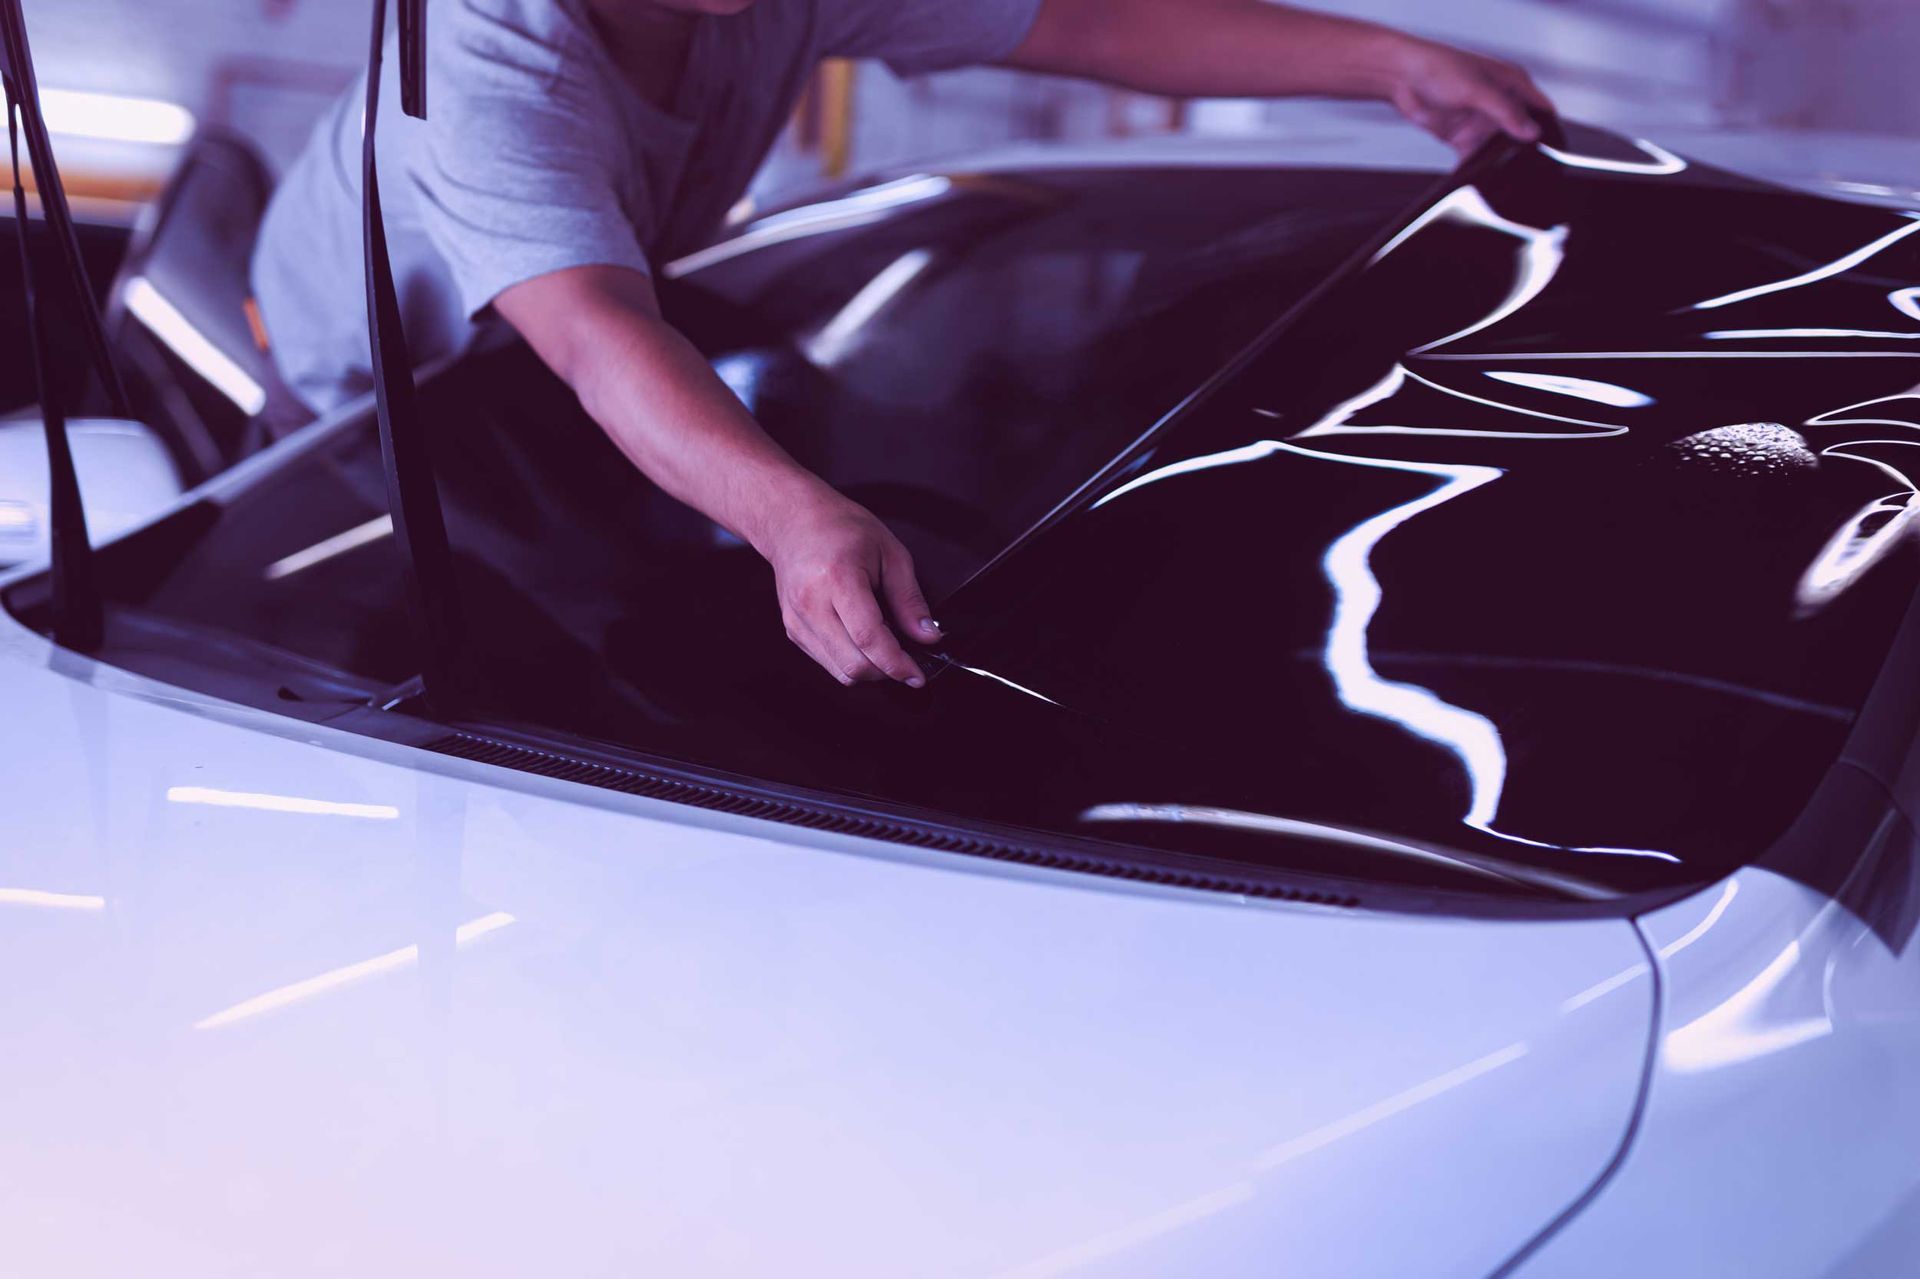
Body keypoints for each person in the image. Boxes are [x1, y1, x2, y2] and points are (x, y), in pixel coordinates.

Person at [252, 0, 1555, 690]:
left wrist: (1387, 58)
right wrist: (793, 518)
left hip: (597, 357)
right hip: (364, 418)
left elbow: (1080, 21)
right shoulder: (482, 64)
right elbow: (596, 341)